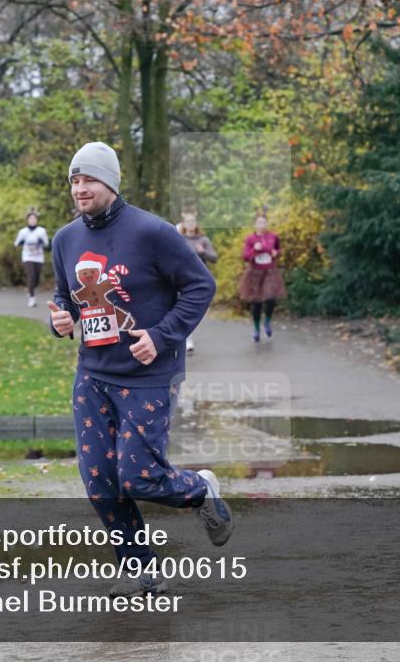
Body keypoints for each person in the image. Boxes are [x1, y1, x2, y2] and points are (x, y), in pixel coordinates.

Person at [48, 141, 232, 598]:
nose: (80, 188)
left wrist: (162, 335)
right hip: (92, 374)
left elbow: (200, 286)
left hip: (148, 374)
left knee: (138, 475)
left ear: (110, 182)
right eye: (74, 180)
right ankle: (144, 571)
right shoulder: (65, 239)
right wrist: (58, 317)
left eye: (88, 179)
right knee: (100, 483)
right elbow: (63, 296)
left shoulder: (152, 232)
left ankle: (199, 488)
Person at [238, 208, 285, 342]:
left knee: (270, 298)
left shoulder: (273, 237)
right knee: (256, 303)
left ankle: (267, 321)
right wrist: (254, 249)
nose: (262, 225)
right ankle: (257, 329)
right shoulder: (250, 239)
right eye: (259, 223)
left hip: (270, 272)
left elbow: (278, 249)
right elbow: (245, 257)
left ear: (267, 224)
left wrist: (276, 253)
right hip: (255, 273)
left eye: (264, 222)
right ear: (255, 224)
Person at [177, 208, 218, 353]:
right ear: (183, 223)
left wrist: (203, 252)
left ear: (196, 223)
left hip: (199, 280)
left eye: (192, 221)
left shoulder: (203, 239)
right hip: (181, 280)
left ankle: (187, 335)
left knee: (196, 311)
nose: (190, 224)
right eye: (187, 221)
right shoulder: (179, 238)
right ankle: (188, 339)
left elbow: (214, 258)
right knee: (184, 309)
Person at [14, 209, 50, 307]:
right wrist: (22, 242)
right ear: (27, 220)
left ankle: (31, 289)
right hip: (27, 256)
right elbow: (16, 243)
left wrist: (41, 241)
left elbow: (47, 244)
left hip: (38, 257)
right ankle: (32, 298)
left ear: (37, 220)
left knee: (36, 279)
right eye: (30, 218)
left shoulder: (41, 231)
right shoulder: (23, 232)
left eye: (34, 218)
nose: (32, 220)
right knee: (31, 276)